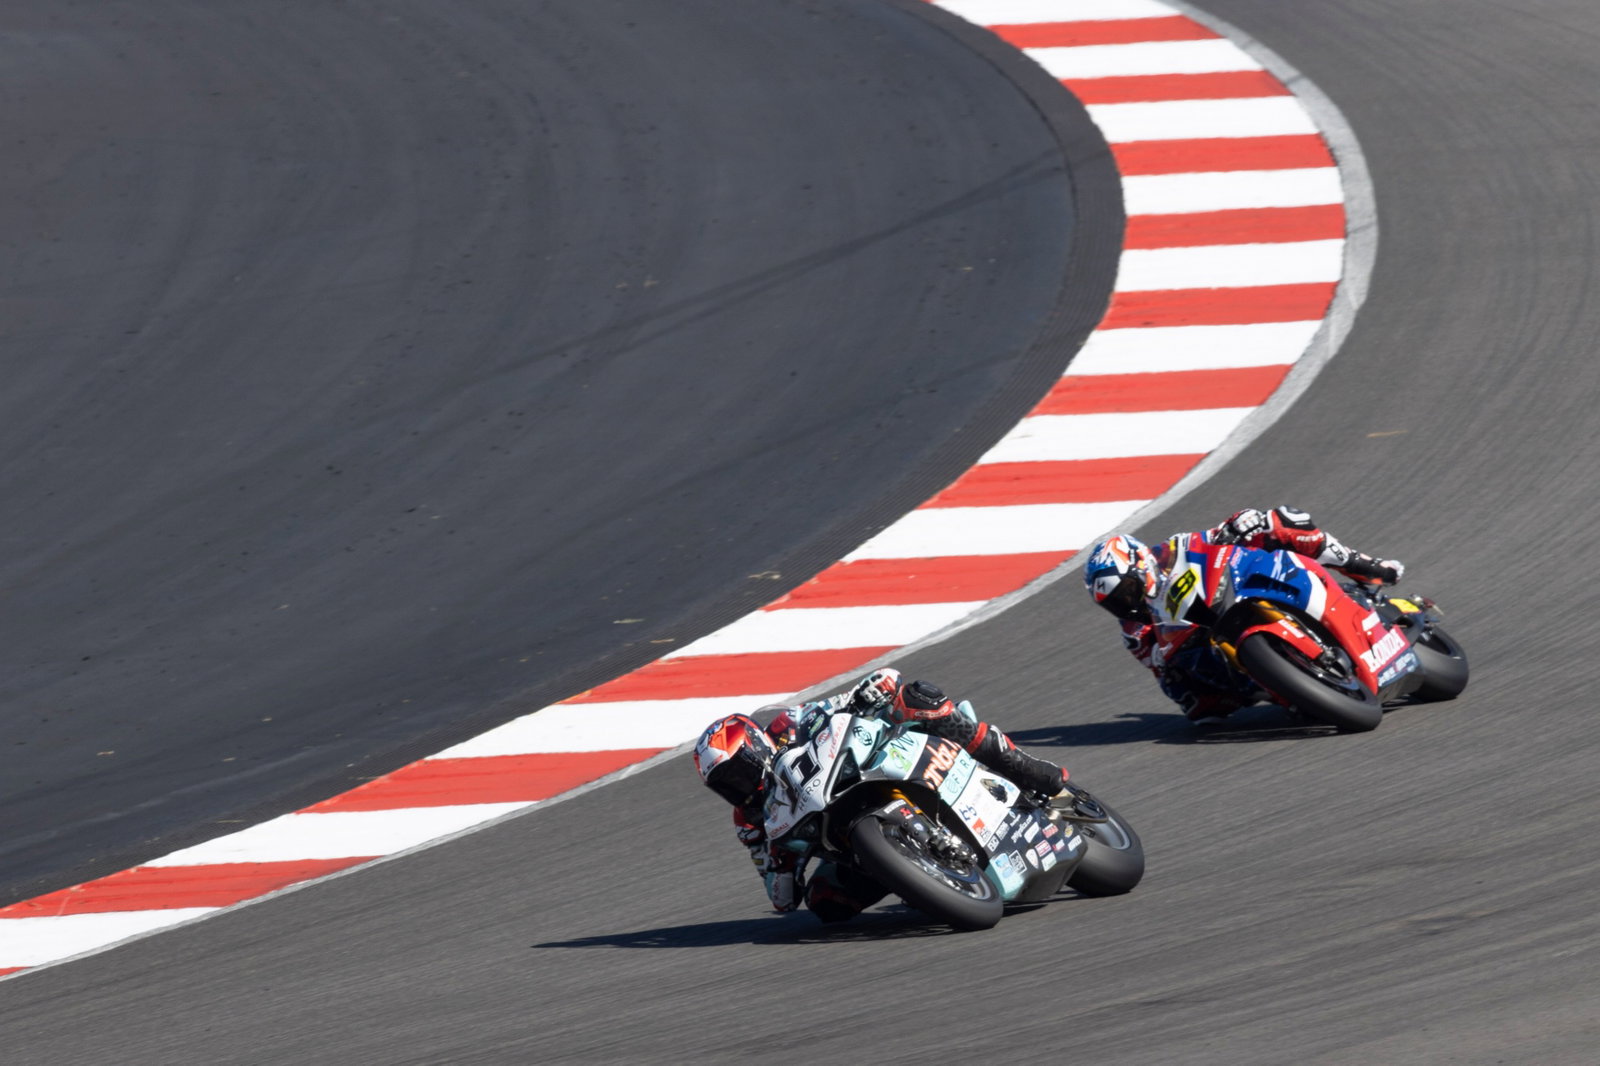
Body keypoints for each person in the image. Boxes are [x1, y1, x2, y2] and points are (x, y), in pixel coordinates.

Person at [692, 667, 1071, 922]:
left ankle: (1021, 765)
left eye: (739, 772)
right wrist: (779, 862)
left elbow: (848, 698)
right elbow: (782, 900)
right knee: (825, 903)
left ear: (756, 746)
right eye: (727, 785)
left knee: (919, 697)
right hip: (843, 833)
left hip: (872, 763)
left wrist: (871, 690)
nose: (739, 787)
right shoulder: (750, 821)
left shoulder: (787, 725)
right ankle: (918, 874)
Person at [1083, 506, 1406, 723]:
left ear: (1140, 565)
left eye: (1125, 592)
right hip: (1211, 645)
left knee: (1283, 520)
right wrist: (1169, 663)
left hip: (1239, 588)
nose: (1126, 605)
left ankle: (1366, 568)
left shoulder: (1175, 549)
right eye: (1114, 603)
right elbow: (1159, 670)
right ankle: (1287, 684)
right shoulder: (1133, 629)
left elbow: (1215, 536)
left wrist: (1241, 522)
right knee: (1195, 707)